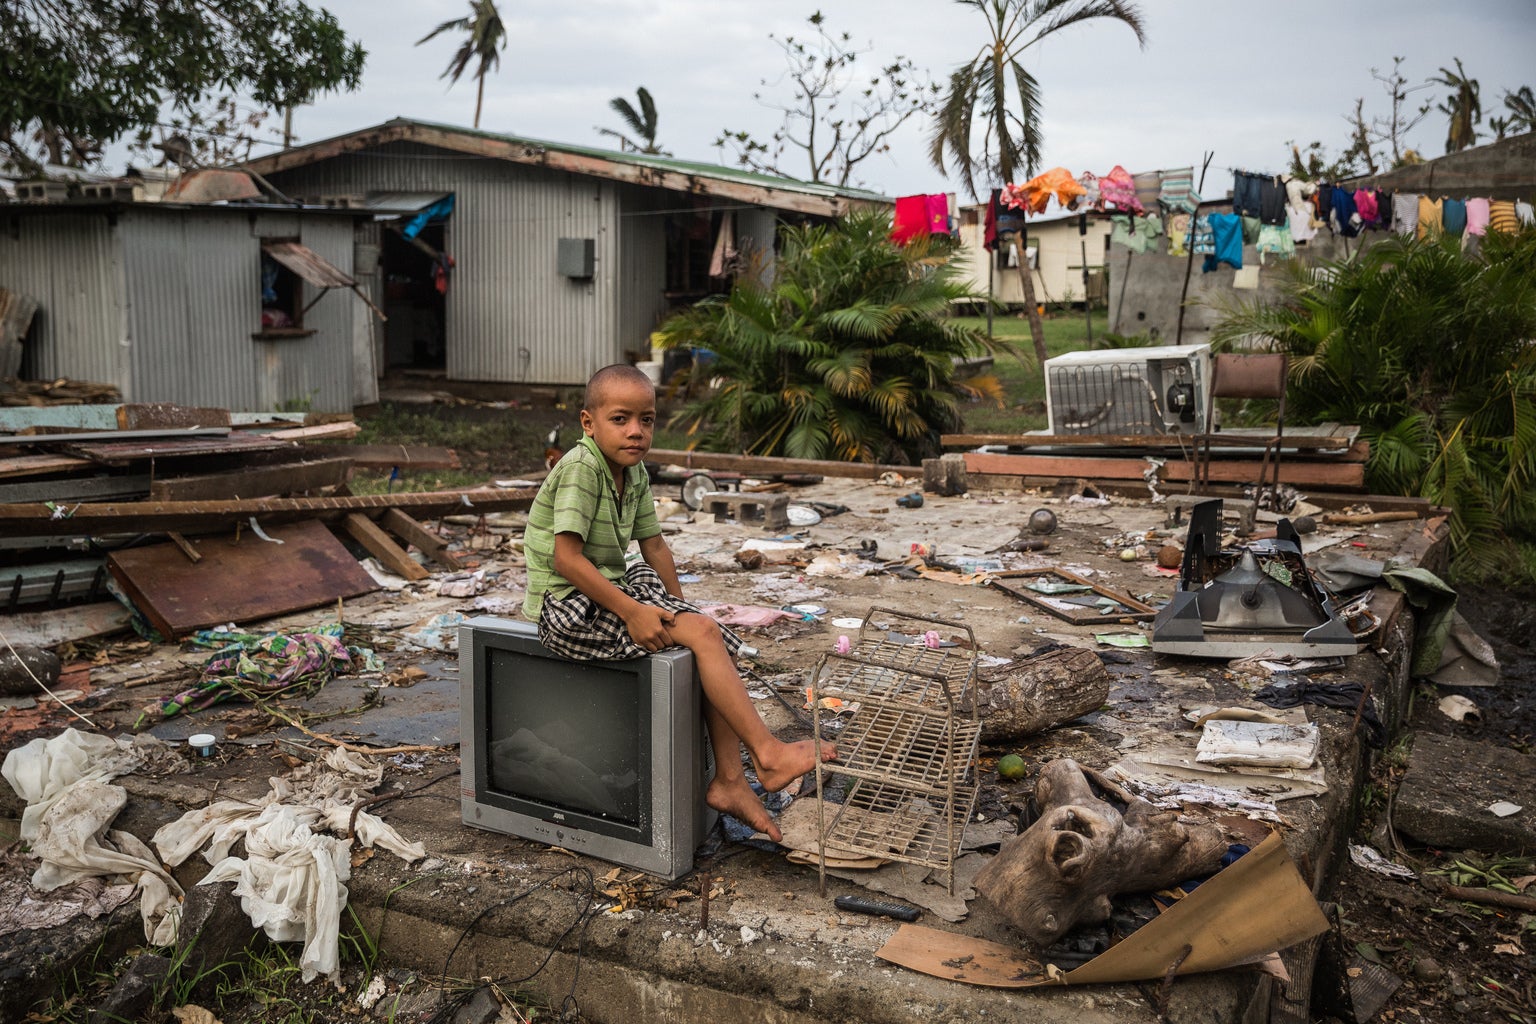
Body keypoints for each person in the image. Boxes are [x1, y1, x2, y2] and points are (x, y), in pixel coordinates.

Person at [522, 364, 835, 842]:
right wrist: (634, 612)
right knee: (700, 634)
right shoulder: (582, 468)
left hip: (611, 583)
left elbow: (655, 548)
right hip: (565, 606)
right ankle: (767, 758)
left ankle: (730, 780)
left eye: (646, 420)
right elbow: (566, 560)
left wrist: (687, 619)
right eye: (621, 419)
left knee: (706, 637)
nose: (636, 431)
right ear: (588, 423)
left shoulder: (633, 471)